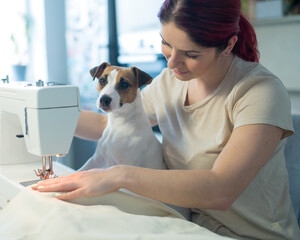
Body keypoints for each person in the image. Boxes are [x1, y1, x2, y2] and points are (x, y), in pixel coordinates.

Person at [32, 0, 300, 239]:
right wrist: (43, 113)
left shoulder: (259, 92)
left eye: (190, 54)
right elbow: (113, 124)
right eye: (166, 44)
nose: (172, 63)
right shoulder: (171, 81)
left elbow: (221, 190)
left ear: (228, 45)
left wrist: (118, 176)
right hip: (180, 223)